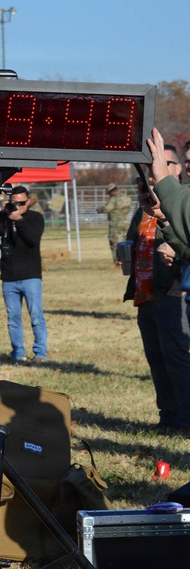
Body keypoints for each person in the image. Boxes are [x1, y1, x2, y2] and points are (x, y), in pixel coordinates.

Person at [123, 145, 190, 435]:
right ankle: (169, 416)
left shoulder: (182, 202)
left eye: (166, 163)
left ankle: (186, 418)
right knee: (158, 361)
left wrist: (178, 284)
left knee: (177, 360)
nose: (153, 173)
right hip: (145, 295)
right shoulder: (145, 208)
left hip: (172, 294)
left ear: (174, 169)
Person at [0, 185, 48, 362]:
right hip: (9, 276)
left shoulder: (35, 218)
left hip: (30, 275)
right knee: (13, 318)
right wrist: (1, 214)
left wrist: (19, 220)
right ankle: (18, 353)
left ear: (28, 201)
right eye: (14, 203)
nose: (18, 207)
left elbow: (32, 239)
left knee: (36, 316)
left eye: (21, 203)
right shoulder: (4, 217)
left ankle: (40, 352)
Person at [98, 184, 133, 264]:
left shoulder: (113, 199)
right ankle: (128, 260)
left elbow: (108, 208)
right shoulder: (127, 198)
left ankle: (117, 261)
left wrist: (100, 209)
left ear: (112, 191)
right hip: (126, 222)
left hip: (116, 223)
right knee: (126, 242)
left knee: (114, 242)